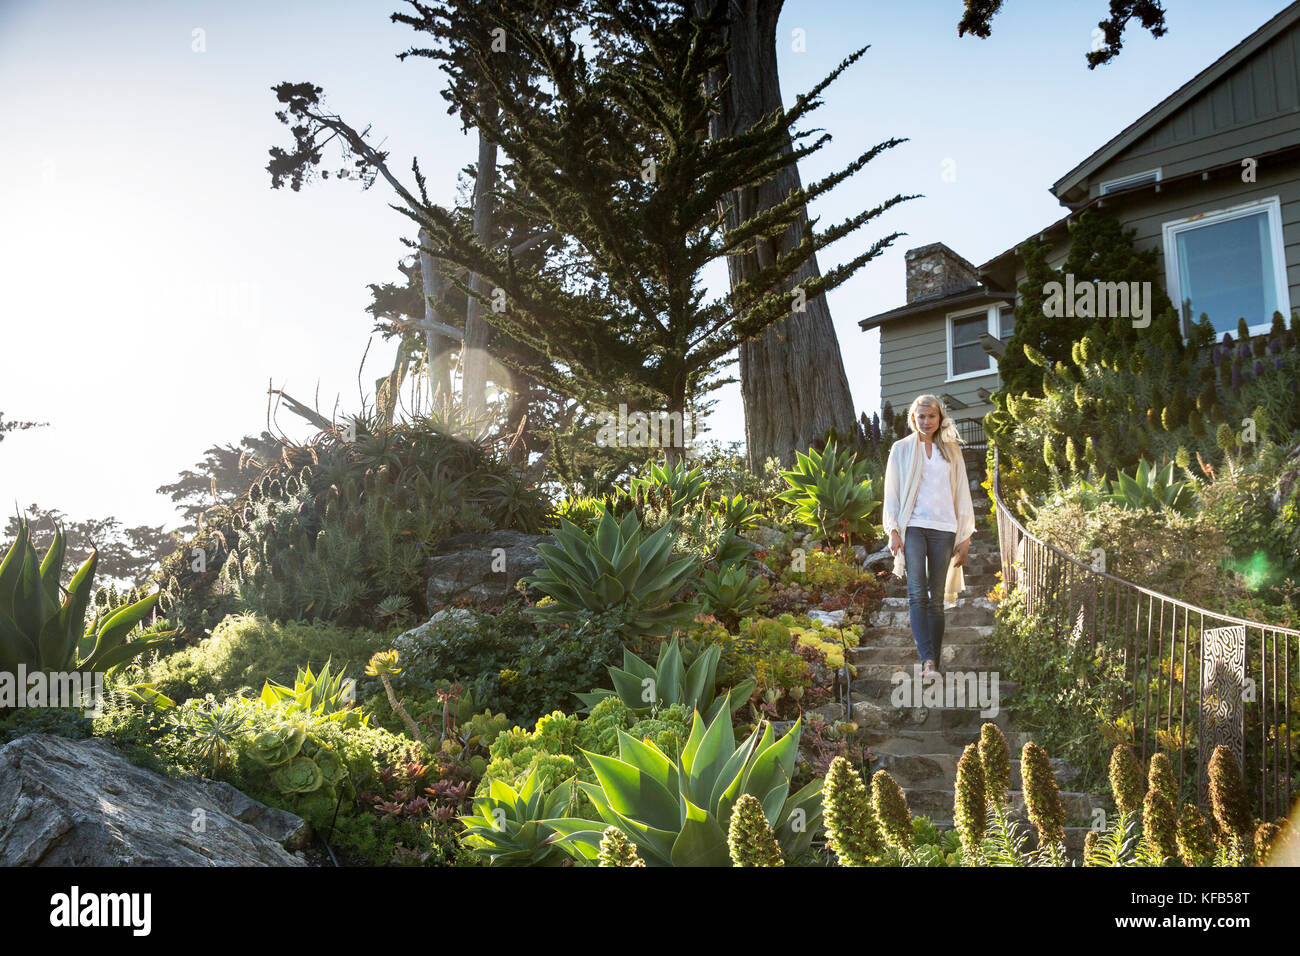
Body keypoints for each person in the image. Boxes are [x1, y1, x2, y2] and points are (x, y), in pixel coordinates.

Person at [881, 395, 976, 678]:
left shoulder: (951, 450)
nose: (926, 421)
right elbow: (892, 492)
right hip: (913, 527)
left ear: (940, 418)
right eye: (921, 417)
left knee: (936, 599)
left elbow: (961, 493)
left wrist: (965, 535)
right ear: (913, 418)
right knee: (917, 594)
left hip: (944, 528)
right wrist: (893, 530)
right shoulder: (900, 449)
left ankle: (933, 661)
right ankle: (928, 662)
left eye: (931, 416)